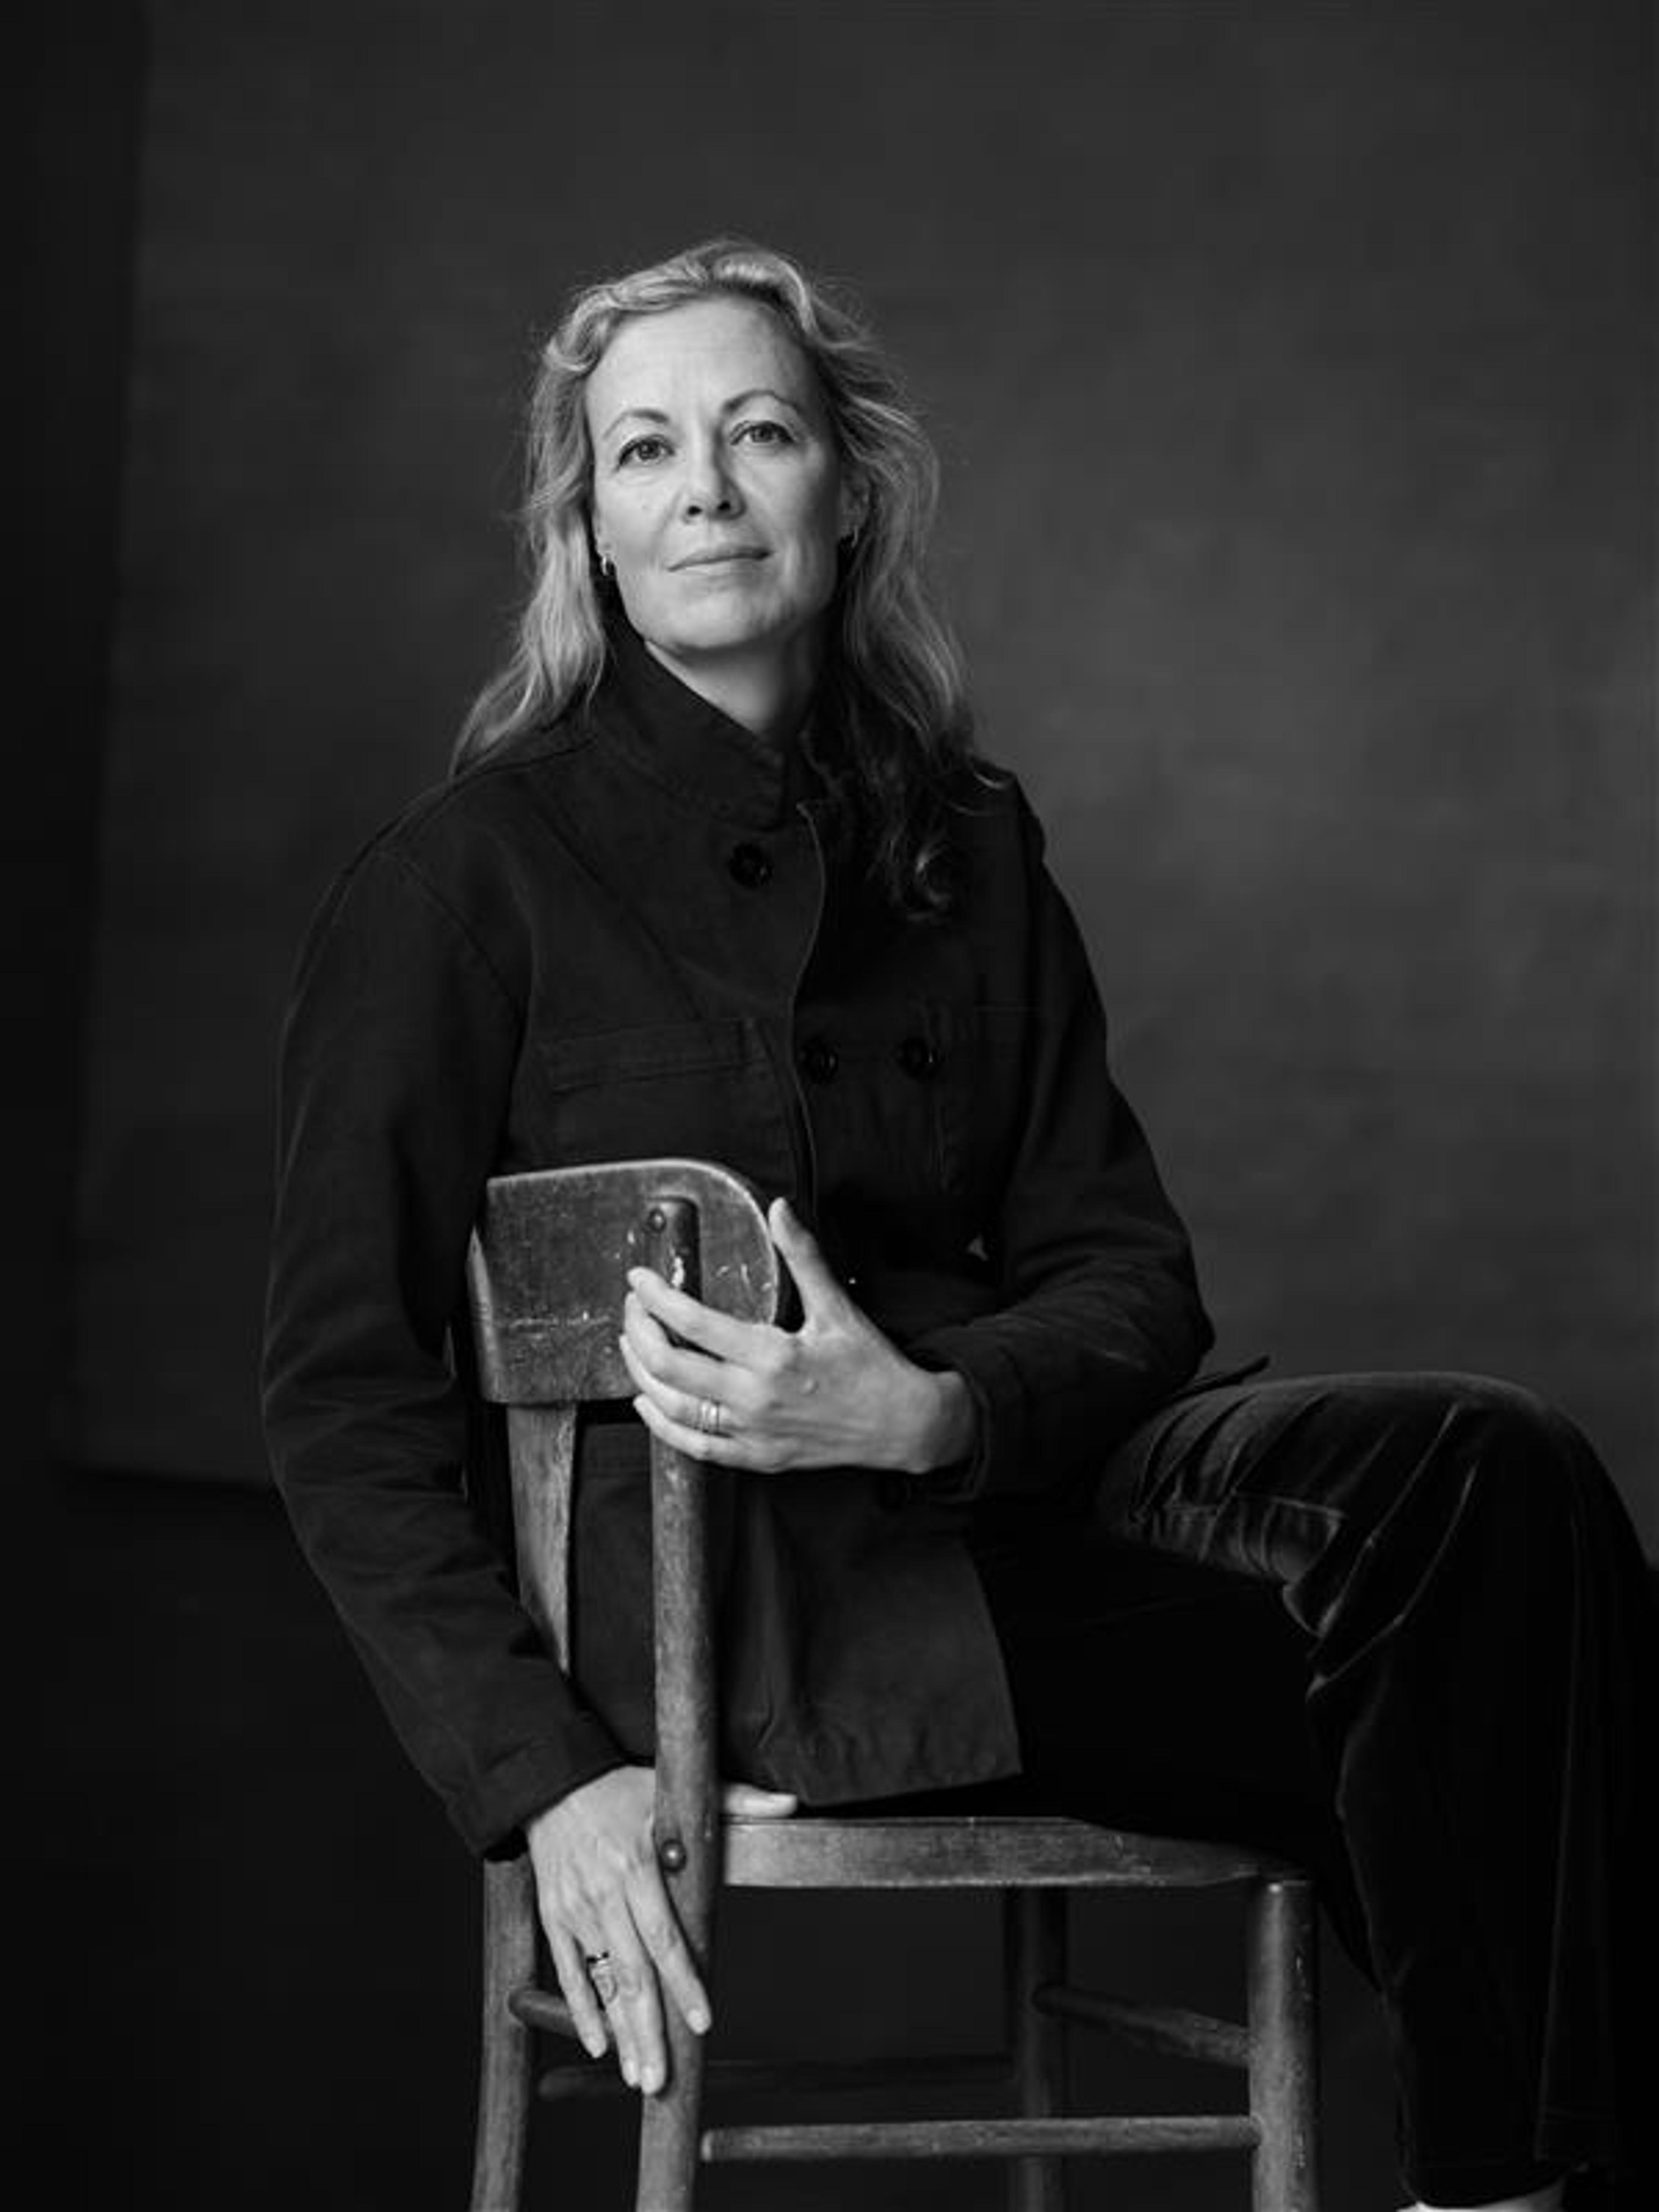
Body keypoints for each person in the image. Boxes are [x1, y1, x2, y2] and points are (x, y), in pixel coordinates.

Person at [261, 238, 1655, 2212]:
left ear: (853, 481)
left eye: (759, 432)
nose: (709, 489)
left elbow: (1129, 1275)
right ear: (592, 525)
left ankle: (1502, 2181)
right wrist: (543, 1775)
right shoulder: (458, 887)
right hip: (761, 1630)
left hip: (1008, 1491)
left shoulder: (966, 840)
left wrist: (924, 1409)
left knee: (1491, 1476)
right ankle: (1516, 2182)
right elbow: (342, 1397)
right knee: (1473, 1686)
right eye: (646, 451)